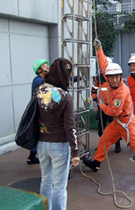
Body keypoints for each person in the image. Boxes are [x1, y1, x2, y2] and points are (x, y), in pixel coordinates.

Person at [83, 39, 135, 171]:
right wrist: (99, 49)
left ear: (120, 77)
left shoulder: (121, 92)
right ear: (107, 78)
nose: (113, 80)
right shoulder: (113, 82)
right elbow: (104, 64)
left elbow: (114, 112)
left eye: (116, 77)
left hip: (126, 124)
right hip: (118, 123)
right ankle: (96, 162)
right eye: (111, 77)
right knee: (104, 140)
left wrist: (101, 104)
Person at [36, 58, 80, 210]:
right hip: (59, 145)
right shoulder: (66, 97)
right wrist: (75, 152)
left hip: (41, 143)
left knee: (46, 181)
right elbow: (70, 126)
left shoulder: (40, 91)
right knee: (60, 187)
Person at [92, 58, 121, 153]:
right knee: (101, 126)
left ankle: (117, 145)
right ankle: (102, 145)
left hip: (112, 106)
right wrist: (94, 100)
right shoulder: (98, 77)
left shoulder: (116, 77)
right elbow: (94, 89)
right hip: (102, 106)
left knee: (115, 126)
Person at [27, 59, 50, 164]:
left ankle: (31, 157)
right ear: (39, 69)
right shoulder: (39, 81)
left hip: (40, 110)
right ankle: (35, 156)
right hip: (40, 111)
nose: (47, 67)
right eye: (45, 66)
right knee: (41, 133)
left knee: (39, 133)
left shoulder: (40, 79)